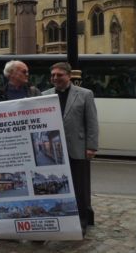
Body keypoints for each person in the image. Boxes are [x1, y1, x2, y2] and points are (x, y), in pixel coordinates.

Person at [43, 62, 98, 235]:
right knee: (55, 187)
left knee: (79, 188)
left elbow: (91, 122)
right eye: (53, 75)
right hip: (52, 151)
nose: (55, 78)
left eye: (59, 75)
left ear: (68, 76)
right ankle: (58, 220)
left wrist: (91, 147)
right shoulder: (44, 95)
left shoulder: (85, 94)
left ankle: (81, 223)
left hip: (77, 148)